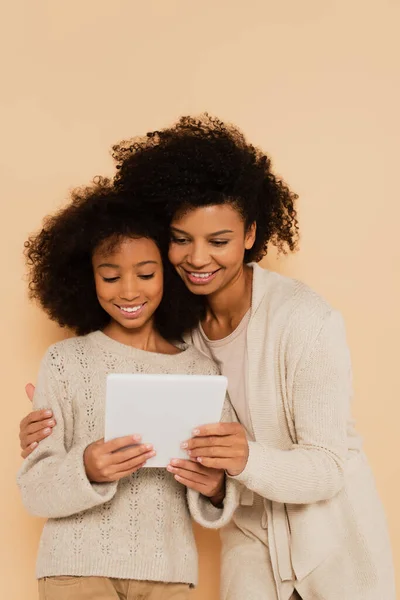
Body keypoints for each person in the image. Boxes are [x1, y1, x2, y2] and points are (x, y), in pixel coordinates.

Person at [19, 115, 395, 600]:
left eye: (218, 241)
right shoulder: (181, 332)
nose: (198, 259)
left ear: (250, 234)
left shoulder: (304, 320)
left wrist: (243, 461)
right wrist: (56, 425)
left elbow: (328, 465)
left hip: (331, 548)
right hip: (248, 547)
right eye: (181, 239)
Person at [17, 178, 240, 600]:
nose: (130, 290)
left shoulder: (201, 370)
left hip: (171, 573)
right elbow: (34, 489)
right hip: (75, 569)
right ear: (87, 279)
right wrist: (87, 467)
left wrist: (214, 487)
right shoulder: (65, 361)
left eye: (146, 273)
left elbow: (223, 479)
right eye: (110, 275)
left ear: (169, 275)